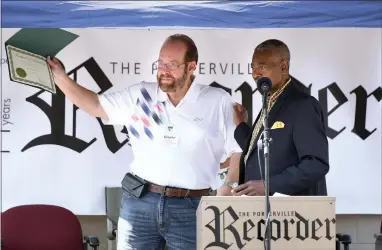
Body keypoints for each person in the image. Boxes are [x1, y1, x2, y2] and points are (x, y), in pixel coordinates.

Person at [47, 34, 242, 250]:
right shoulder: (142, 94)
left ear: (191, 66)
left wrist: (229, 185)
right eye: (160, 63)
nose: (164, 70)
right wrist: (60, 77)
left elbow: (238, 149)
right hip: (140, 201)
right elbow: (95, 105)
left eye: (172, 64)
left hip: (191, 207)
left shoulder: (217, 100)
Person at [218, 39, 329, 197]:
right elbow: (263, 151)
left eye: (262, 67)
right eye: (253, 67)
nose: (255, 73)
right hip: (260, 213)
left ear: (283, 66)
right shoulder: (270, 100)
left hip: (293, 214)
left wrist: (269, 185)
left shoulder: (303, 105)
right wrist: (241, 125)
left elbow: (316, 163)